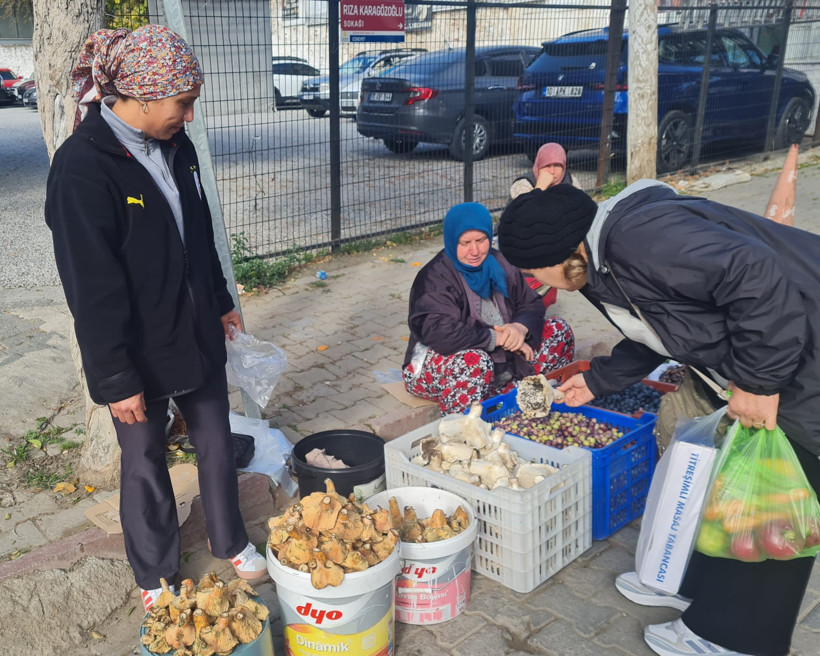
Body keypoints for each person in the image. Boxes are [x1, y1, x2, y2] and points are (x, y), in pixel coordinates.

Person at [496, 181, 820, 656]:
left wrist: (758, 380)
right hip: (778, 349)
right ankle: (697, 583)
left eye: (532, 271)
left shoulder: (641, 241)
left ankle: (732, 637)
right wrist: (599, 379)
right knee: (733, 475)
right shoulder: (595, 257)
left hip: (802, 354)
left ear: (561, 252)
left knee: (774, 494)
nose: (535, 284)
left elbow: (757, 275)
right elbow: (662, 323)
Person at [45, 25, 268, 612]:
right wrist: (115, 379)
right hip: (135, 348)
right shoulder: (82, 169)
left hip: (192, 328)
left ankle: (232, 540)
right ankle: (155, 575)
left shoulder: (177, 146)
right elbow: (90, 289)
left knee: (216, 437)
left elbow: (200, 232)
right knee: (144, 458)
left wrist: (220, 297)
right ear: (142, 96)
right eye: (183, 103)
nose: (189, 117)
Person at [402, 201, 574, 415]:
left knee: (558, 331)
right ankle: (463, 431)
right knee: (473, 362)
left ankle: (527, 403)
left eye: (481, 240)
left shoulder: (500, 262)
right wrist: (496, 338)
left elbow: (531, 303)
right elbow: (440, 332)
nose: (474, 251)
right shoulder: (435, 278)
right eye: (465, 242)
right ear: (451, 240)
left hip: (501, 362)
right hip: (437, 364)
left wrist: (520, 328)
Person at [510, 142, 574, 200]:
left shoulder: (571, 180)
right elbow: (524, 210)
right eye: (547, 166)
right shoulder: (523, 185)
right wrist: (539, 188)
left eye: (557, 165)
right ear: (539, 166)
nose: (552, 171)